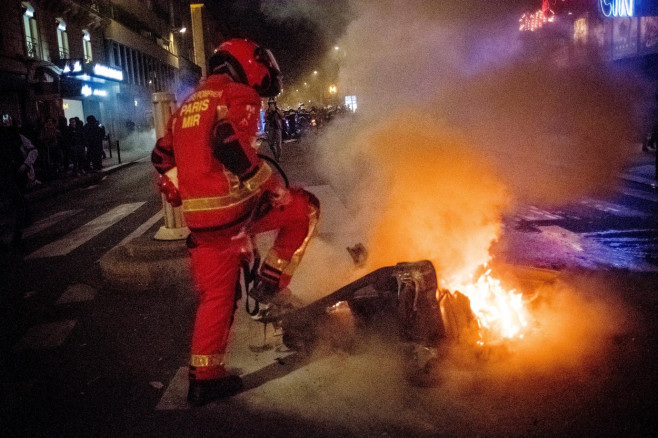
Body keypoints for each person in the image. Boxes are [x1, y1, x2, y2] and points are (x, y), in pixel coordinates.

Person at [151, 38, 320, 407]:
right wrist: (272, 187)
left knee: (217, 299)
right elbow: (227, 141)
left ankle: (204, 379)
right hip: (234, 212)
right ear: (250, 63)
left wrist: (183, 190)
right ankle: (271, 283)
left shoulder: (185, 106)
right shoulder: (237, 93)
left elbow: (161, 156)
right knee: (305, 208)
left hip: (202, 225)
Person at [0, 115, 33, 250]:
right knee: (18, 203)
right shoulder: (9, 134)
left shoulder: (9, 134)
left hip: (8, 173)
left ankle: (16, 234)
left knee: (18, 203)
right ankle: (16, 235)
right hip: (7, 173)